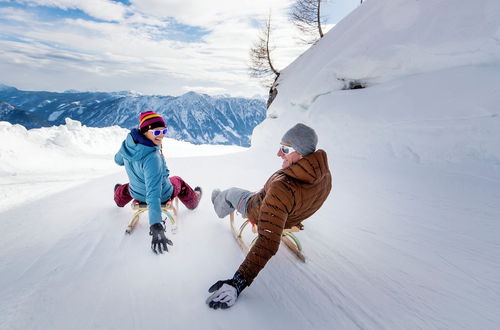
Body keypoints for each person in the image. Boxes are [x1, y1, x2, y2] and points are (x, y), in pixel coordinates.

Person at [206, 123, 332, 309]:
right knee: (256, 192)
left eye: (285, 148)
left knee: (231, 193)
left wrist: (238, 282)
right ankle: (250, 196)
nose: (279, 153)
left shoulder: (283, 188)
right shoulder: (324, 176)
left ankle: (218, 203)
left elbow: (268, 242)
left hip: (258, 210)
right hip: (289, 214)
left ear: (302, 153)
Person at [114, 111, 202, 254]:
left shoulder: (127, 145)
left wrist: (125, 152)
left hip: (135, 191)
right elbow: (154, 193)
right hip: (162, 193)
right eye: (156, 132)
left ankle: (118, 199)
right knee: (178, 181)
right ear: (144, 132)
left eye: (164, 131)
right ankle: (194, 201)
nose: (161, 135)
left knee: (126, 188)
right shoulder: (152, 157)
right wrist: (155, 224)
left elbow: (117, 160)